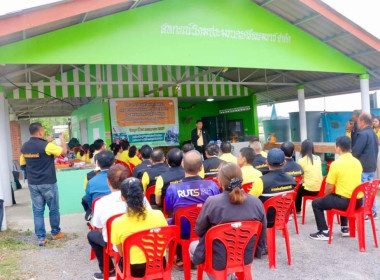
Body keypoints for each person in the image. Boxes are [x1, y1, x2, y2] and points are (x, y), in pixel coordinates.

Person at [190, 162, 267, 273]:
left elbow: (199, 230)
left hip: (218, 259)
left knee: (192, 246)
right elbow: (262, 232)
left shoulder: (213, 202)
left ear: (220, 182)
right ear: (241, 179)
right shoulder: (256, 202)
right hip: (245, 256)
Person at [88, 164, 151, 280]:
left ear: (108, 182)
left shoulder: (101, 203)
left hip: (116, 244)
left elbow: (99, 228)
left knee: (92, 235)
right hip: (144, 241)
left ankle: (110, 271)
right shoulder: (141, 198)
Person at [165, 150, 220, 267]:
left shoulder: (173, 189)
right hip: (206, 228)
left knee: (168, 221)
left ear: (183, 165)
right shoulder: (212, 186)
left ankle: (179, 255)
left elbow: (168, 210)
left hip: (183, 231)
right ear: (201, 167)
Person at [20, 122, 67, 246]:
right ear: (41, 132)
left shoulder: (24, 146)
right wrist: (62, 140)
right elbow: (64, 152)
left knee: (38, 211)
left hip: (33, 184)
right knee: (53, 209)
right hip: (48, 182)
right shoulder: (46, 146)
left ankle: (41, 238)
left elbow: (23, 164)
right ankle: (56, 233)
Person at [111, 178, 167, 278]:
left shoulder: (117, 223)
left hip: (134, 269)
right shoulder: (159, 215)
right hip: (159, 264)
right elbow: (164, 239)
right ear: (143, 194)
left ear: (123, 198)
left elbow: (122, 253)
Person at [309, 136, 363, 240]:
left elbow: (329, 188)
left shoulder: (336, 164)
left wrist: (326, 198)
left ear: (338, 148)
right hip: (358, 201)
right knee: (340, 194)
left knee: (316, 203)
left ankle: (324, 232)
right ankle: (345, 228)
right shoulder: (357, 162)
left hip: (345, 202)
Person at [249, 148, 296, 227]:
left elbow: (249, 200)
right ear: (284, 163)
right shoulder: (292, 179)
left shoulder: (261, 181)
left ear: (267, 162)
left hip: (264, 220)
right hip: (283, 217)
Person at [352, 112, 379, 219]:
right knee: (370, 190)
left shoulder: (363, 134)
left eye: (358, 121)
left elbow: (356, 152)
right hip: (372, 166)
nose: (357, 124)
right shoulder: (373, 133)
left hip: (362, 167)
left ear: (362, 121)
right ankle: (372, 212)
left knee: (362, 190)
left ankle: (364, 214)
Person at [296, 140, 323, 213]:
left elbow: (299, 175)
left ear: (303, 149)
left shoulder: (301, 160)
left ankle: (297, 210)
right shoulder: (318, 158)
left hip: (310, 190)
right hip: (320, 189)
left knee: (296, 191)